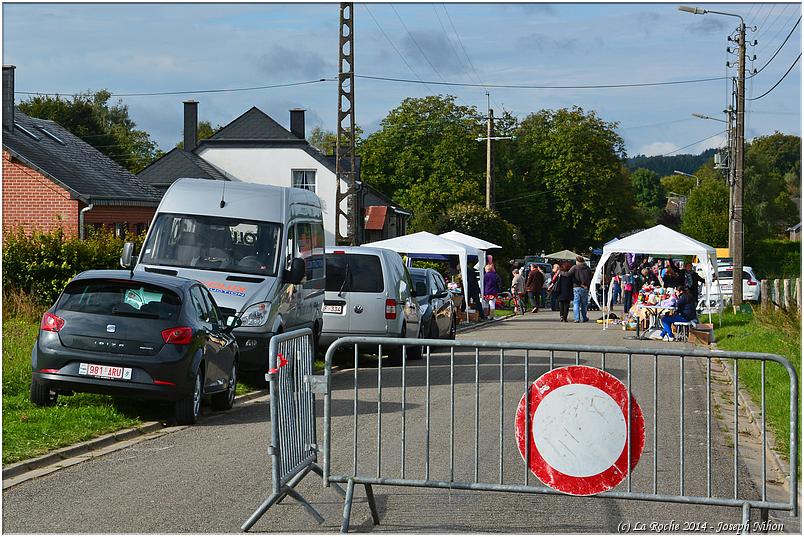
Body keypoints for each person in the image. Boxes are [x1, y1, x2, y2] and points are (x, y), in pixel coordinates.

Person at [566, 255, 593, 322]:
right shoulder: (587, 268)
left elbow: (568, 274)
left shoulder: (575, 267)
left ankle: (577, 318)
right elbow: (591, 277)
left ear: (577, 261)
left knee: (576, 303)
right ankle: (584, 317)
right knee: (584, 304)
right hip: (585, 288)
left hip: (576, 287)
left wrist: (560, 272)